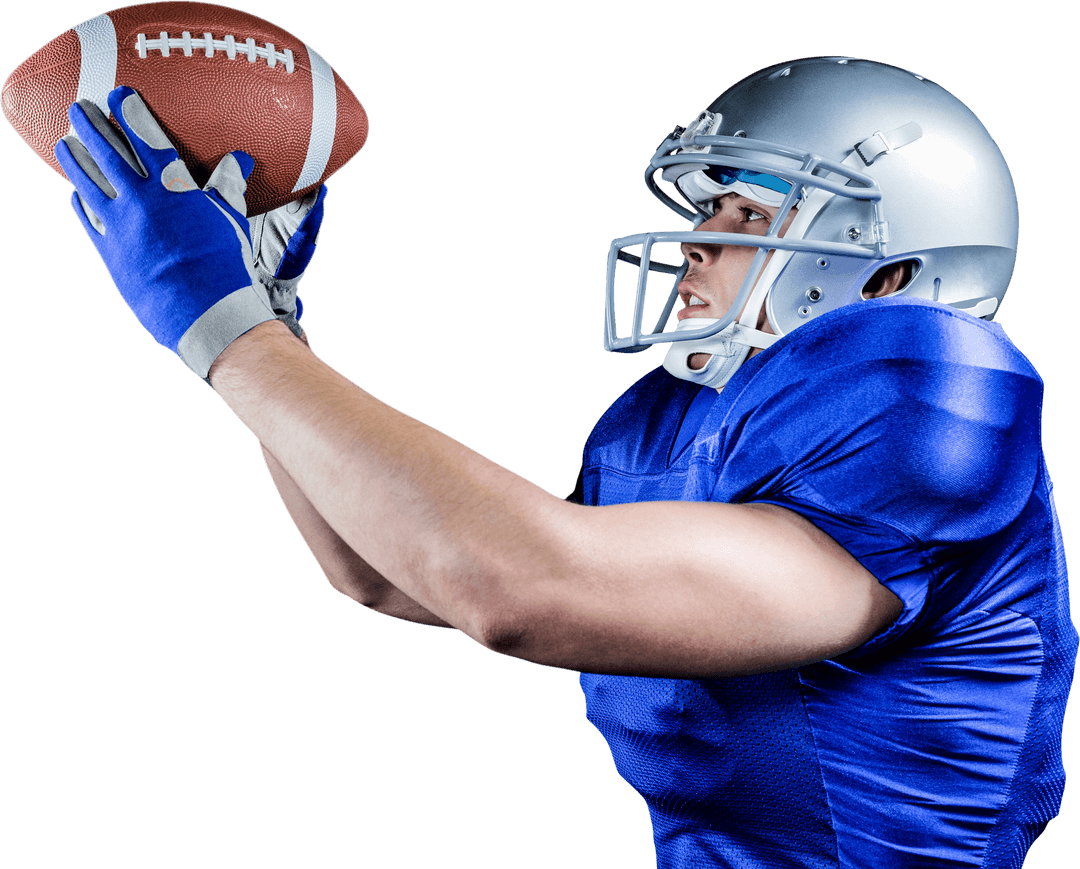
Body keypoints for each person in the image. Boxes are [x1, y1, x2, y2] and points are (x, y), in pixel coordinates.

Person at [52, 57, 1075, 868]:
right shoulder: (677, 416)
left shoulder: (935, 380)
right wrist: (270, 325)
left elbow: (520, 589)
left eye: (749, 214)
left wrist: (228, 331)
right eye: (706, 210)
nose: (697, 243)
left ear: (891, 268)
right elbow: (389, 566)